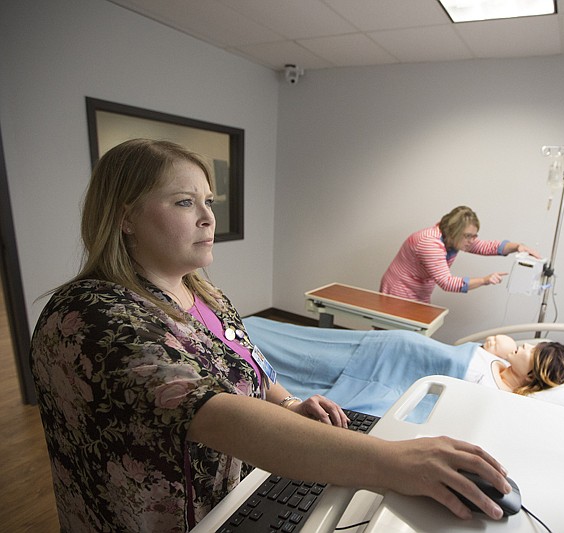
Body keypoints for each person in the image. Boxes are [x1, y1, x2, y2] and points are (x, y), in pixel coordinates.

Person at [29, 139, 512, 532]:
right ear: (124, 216)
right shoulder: (92, 315)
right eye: (183, 202)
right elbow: (214, 414)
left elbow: (248, 361)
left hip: (234, 498)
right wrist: (394, 462)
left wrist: (285, 404)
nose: (207, 217)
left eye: (208, 202)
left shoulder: (201, 292)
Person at [242, 317, 564, 416]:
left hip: (394, 379)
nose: (527, 344)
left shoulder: (501, 398)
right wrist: (504, 347)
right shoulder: (498, 356)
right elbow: (493, 343)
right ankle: (243, 333)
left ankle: (246, 374)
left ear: (534, 373)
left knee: (303, 378)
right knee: (302, 347)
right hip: (383, 349)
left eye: (534, 349)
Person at [380, 205, 540, 303]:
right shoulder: (430, 243)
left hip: (419, 291)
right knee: (392, 340)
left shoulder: (453, 239)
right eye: (468, 236)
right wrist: (484, 280)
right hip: (399, 291)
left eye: (474, 236)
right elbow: (447, 283)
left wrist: (518, 246)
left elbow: (485, 246)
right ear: (455, 232)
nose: (472, 240)